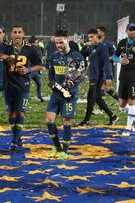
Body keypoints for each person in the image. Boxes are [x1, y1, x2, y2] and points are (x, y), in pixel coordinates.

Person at [0, 24, 43, 153]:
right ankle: (17, 136)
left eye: (19, 32)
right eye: (14, 32)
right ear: (11, 34)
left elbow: (39, 65)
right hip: (8, 85)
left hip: (23, 85)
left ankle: (14, 142)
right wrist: (6, 57)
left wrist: (28, 69)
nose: (17, 34)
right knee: (11, 113)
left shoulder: (30, 49)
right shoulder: (6, 46)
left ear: (23, 34)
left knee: (20, 112)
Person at [46, 30, 84, 160]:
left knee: (66, 121)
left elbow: (81, 77)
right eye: (56, 43)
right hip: (57, 94)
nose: (58, 45)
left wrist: (71, 85)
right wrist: (58, 89)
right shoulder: (54, 56)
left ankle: (65, 151)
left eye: (61, 42)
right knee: (49, 120)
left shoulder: (77, 57)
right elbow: (50, 78)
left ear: (68, 39)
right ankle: (56, 147)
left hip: (70, 95)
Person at [78, 29, 117, 126]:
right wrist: (84, 46)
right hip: (92, 75)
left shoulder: (102, 48)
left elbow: (106, 63)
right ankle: (112, 116)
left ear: (97, 36)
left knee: (90, 97)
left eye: (92, 37)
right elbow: (81, 55)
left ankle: (86, 121)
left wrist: (108, 77)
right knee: (97, 98)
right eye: (89, 37)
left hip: (99, 76)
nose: (90, 39)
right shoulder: (92, 47)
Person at [96, 26, 118, 101]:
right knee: (105, 88)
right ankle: (120, 100)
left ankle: (100, 108)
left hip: (106, 68)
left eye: (97, 31)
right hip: (98, 68)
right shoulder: (96, 42)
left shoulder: (108, 43)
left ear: (102, 33)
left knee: (103, 88)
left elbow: (116, 55)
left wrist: (109, 58)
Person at [29, 35, 44, 102]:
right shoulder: (28, 49)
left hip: (36, 70)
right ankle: (27, 96)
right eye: (36, 42)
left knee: (39, 83)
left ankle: (39, 95)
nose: (37, 43)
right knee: (27, 84)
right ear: (32, 42)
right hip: (30, 69)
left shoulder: (37, 48)